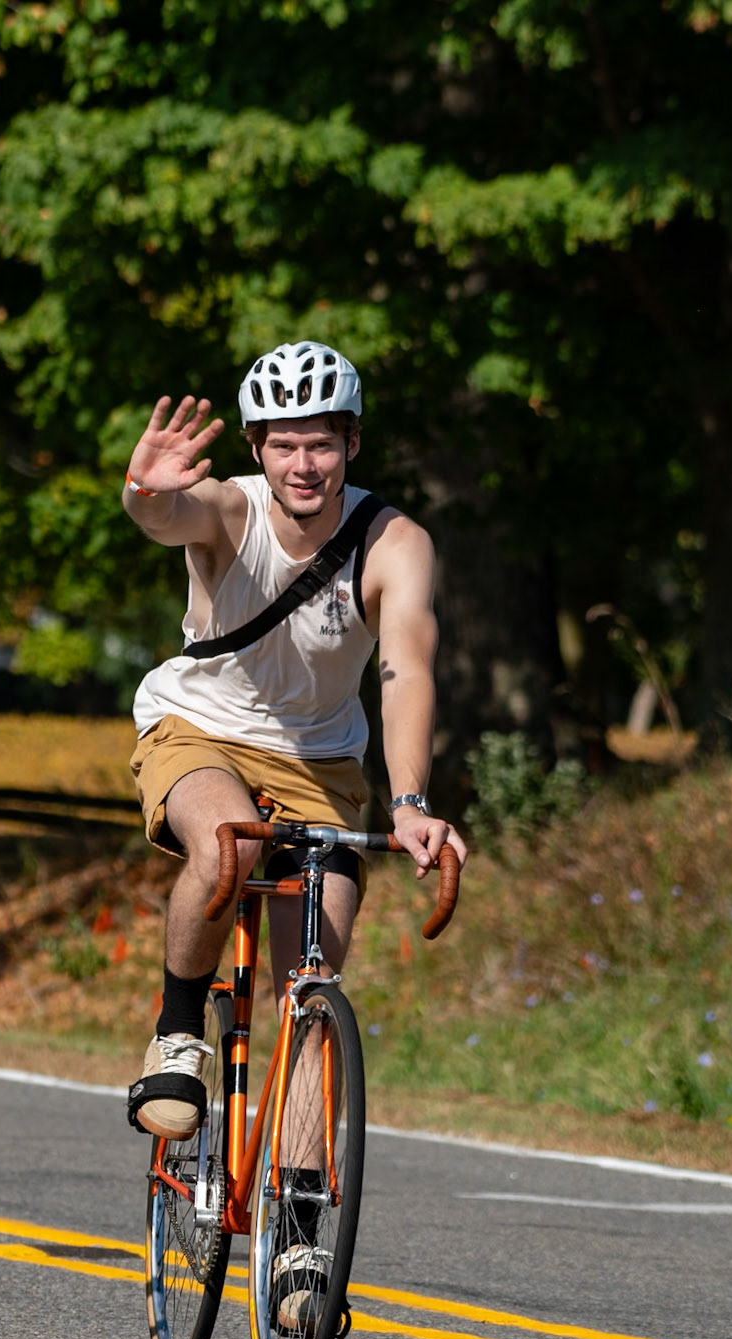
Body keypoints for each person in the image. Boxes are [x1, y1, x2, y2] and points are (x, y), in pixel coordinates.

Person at [123, 339, 467, 1142]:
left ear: (352, 442)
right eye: (283, 445)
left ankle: (304, 1207)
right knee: (230, 843)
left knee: (311, 984)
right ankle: (178, 1031)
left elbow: (406, 671)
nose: (302, 465)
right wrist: (144, 491)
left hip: (320, 764)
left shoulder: (395, 543)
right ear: (255, 449)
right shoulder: (230, 510)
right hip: (199, 731)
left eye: (320, 444)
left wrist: (410, 802)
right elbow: (167, 515)